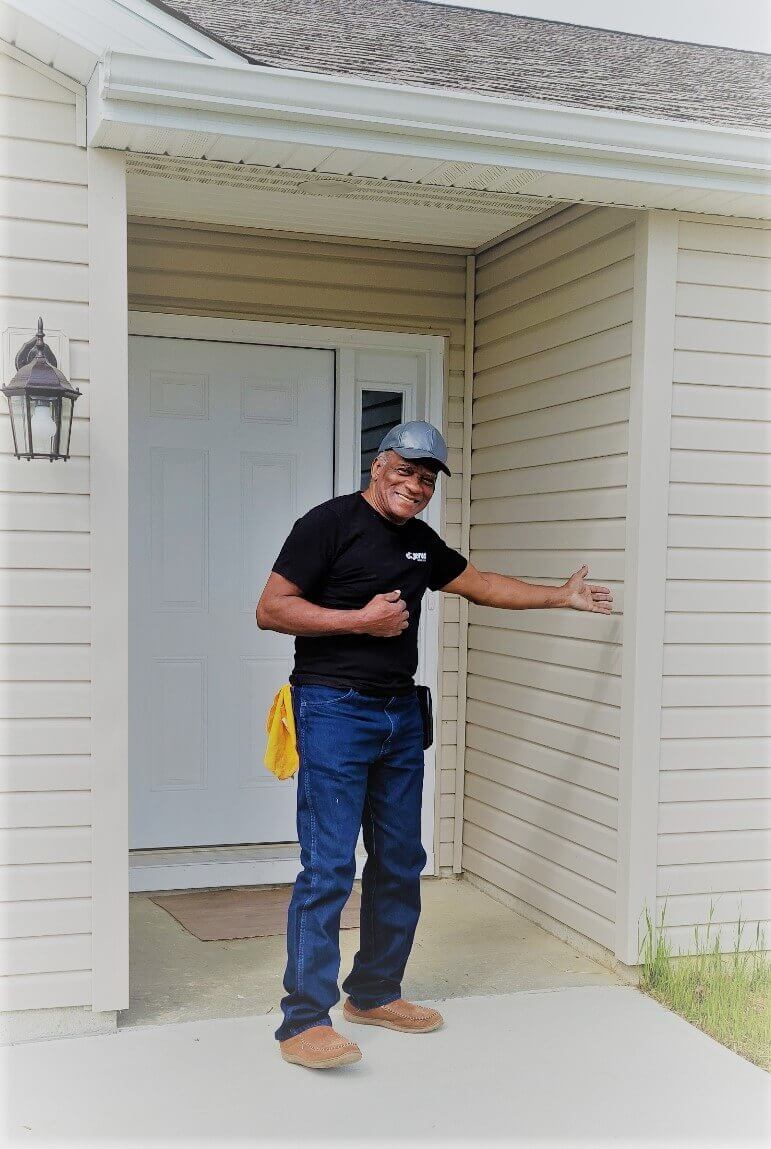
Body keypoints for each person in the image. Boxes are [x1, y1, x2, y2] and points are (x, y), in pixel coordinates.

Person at [256, 420, 613, 1070]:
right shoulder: (326, 524)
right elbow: (272, 607)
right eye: (407, 470)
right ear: (379, 465)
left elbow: (480, 583)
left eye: (427, 478)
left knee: (399, 857)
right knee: (330, 864)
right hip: (332, 707)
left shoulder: (419, 543)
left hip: (399, 714)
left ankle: (373, 992)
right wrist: (359, 621)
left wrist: (558, 596)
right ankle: (302, 1020)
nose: (416, 485)